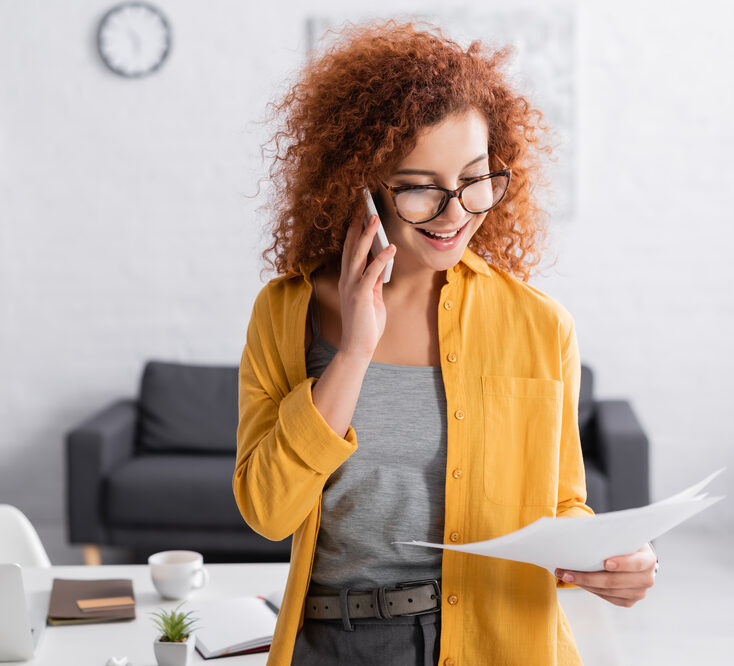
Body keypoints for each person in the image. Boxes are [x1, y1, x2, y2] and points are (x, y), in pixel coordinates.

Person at [233, 19, 658, 666]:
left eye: (474, 177)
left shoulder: (540, 324)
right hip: (337, 645)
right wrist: (352, 350)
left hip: (499, 641)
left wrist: (610, 559)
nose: (456, 212)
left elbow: (564, 503)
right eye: (420, 187)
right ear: (363, 187)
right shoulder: (286, 313)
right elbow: (267, 511)